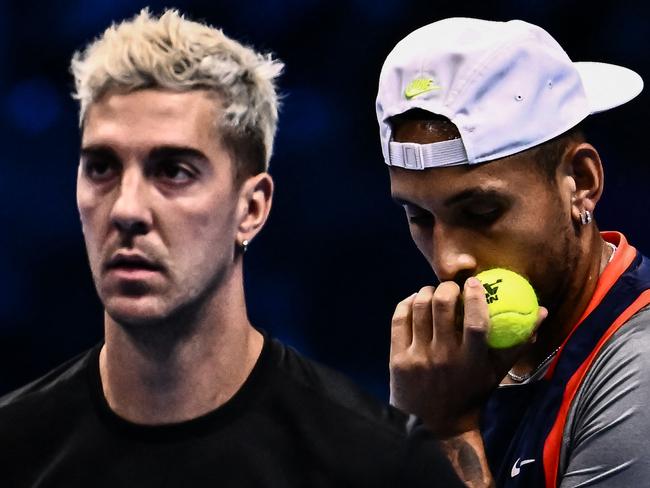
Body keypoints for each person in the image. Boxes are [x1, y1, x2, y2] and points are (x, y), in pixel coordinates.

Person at [0, 9, 467, 487]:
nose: (127, 209)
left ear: (251, 208)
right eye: (101, 168)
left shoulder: (379, 463)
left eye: (174, 171)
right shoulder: (12, 450)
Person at [375, 17, 649, 487]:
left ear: (580, 183)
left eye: (481, 212)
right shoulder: (457, 366)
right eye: (420, 217)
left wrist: (444, 430)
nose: (448, 263)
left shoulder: (639, 371)